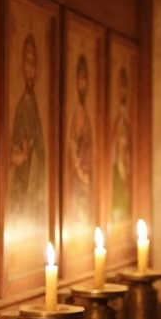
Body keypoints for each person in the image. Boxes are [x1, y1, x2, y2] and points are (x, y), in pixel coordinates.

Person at [10, 32, 47, 227]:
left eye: (34, 65)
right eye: (28, 64)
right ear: (23, 68)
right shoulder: (22, 106)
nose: (31, 70)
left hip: (35, 189)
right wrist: (21, 156)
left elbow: (41, 151)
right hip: (23, 190)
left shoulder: (35, 106)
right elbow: (13, 154)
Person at [68, 52, 94, 225]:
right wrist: (79, 170)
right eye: (80, 78)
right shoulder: (75, 112)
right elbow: (72, 146)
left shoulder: (86, 113)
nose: (82, 83)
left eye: (85, 79)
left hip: (86, 177)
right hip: (77, 177)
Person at [110, 65, 133, 221]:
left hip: (125, 158)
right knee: (118, 181)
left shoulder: (128, 115)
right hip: (118, 157)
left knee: (125, 184)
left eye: (126, 87)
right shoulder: (117, 116)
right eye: (121, 88)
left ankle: (124, 210)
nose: (123, 92)